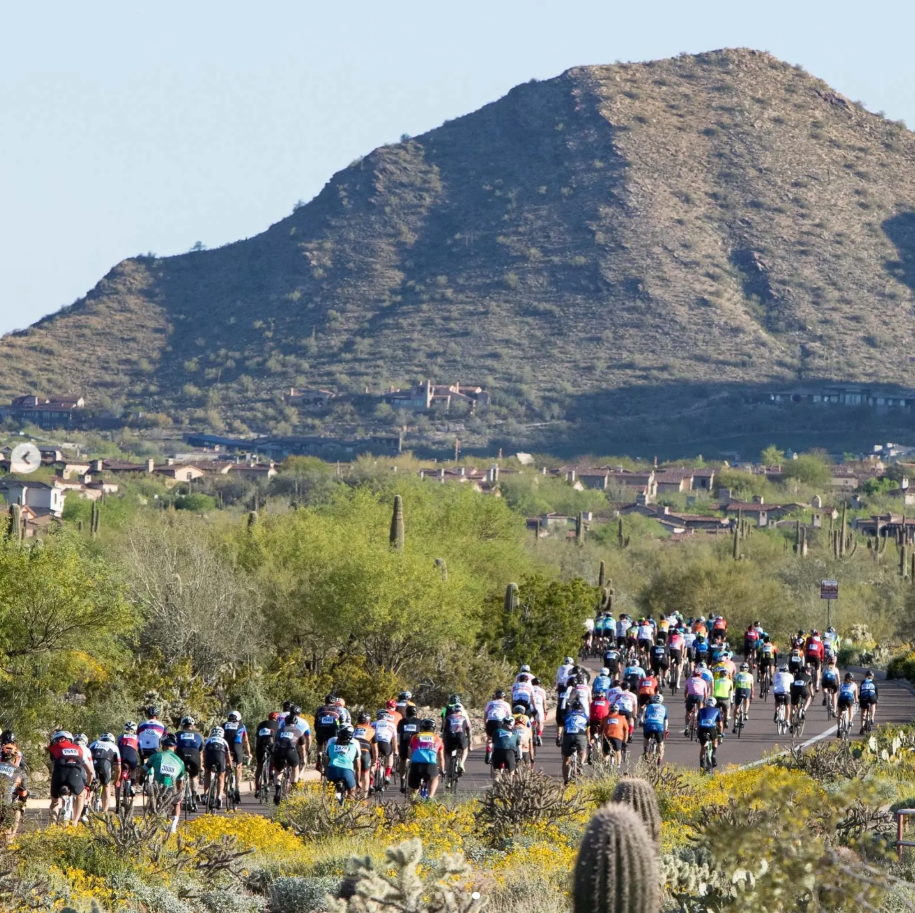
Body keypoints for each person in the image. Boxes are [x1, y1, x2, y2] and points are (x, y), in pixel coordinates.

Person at [48, 731, 94, 826]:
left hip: (59, 774)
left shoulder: (53, 748)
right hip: (74, 774)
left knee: (55, 801)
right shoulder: (79, 749)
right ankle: (75, 822)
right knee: (81, 796)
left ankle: (52, 823)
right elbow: (90, 772)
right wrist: (88, 785)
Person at [142, 735, 186, 833]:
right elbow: (180, 782)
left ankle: (151, 824)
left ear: (163, 746)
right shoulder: (180, 762)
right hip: (171, 787)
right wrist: (179, 794)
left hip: (158, 787)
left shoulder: (156, 756)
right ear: (175, 747)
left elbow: (143, 770)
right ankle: (173, 826)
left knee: (152, 802)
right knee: (177, 803)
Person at [272, 709, 308, 804]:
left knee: (278, 772)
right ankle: (294, 786)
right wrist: (303, 759)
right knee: (295, 768)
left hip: (279, 751)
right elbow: (302, 749)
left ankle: (277, 788)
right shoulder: (298, 731)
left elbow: (275, 742)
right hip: (291, 751)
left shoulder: (279, 731)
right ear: (295, 723)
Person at [407, 718, 445, 797]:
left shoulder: (415, 737)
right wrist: (442, 770)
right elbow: (441, 758)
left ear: (422, 728)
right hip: (430, 764)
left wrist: (410, 762)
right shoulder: (438, 739)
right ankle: (430, 797)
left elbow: (410, 752)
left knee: (412, 791)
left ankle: (413, 804)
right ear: (433, 729)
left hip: (416, 765)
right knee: (434, 778)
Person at [324, 724, 362, 799]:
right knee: (352, 790)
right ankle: (349, 807)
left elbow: (327, 760)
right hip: (347, 771)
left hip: (332, 770)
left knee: (330, 790)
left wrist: (326, 771)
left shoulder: (331, 746)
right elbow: (358, 766)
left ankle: (330, 804)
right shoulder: (353, 747)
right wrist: (358, 781)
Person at [0, 741, 28, 840]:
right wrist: (22, 805)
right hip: (5, 805)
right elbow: (23, 793)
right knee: (18, 805)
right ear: (15, 757)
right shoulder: (19, 771)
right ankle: (10, 839)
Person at [88, 733, 121, 814]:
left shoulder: (93, 743)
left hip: (92, 763)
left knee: (90, 786)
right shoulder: (114, 747)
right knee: (106, 785)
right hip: (104, 765)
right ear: (112, 740)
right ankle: (104, 811)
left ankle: (86, 808)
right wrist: (116, 780)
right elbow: (118, 769)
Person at [174, 717, 204, 807]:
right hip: (194, 756)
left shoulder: (177, 734)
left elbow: (174, 750)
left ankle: (180, 798)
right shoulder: (199, 735)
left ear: (182, 725)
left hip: (181, 756)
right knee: (194, 777)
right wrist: (200, 766)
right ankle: (194, 798)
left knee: (180, 777)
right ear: (192, 726)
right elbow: (200, 753)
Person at [222, 711, 251, 801]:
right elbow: (245, 740)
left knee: (226, 767)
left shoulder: (223, 725)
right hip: (236, 746)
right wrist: (248, 753)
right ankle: (237, 788)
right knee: (238, 767)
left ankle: (224, 785)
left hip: (225, 746)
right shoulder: (242, 726)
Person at [559, 699, 589, 784]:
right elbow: (588, 730)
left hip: (568, 736)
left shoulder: (567, 715)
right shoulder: (584, 716)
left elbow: (562, 726)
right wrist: (589, 741)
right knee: (583, 751)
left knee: (566, 759)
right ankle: (581, 764)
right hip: (580, 735)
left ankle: (565, 780)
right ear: (581, 708)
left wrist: (559, 737)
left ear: (572, 708)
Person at [201, 726, 230, 809]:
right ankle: (219, 797)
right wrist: (230, 766)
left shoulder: (208, 740)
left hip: (210, 758)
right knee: (221, 776)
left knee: (207, 774)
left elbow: (204, 753)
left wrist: (203, 764)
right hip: (220, 759)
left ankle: (205, 794)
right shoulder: (224, 741)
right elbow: (228, 755)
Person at [442, 702, 472, 782]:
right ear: (461, 711)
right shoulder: (464, 718)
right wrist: (470, 743)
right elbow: (469, 730)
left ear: (453, 710)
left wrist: (444, 742)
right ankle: (462, 763)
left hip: (450, 737)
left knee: (447, 755)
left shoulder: (448, 718)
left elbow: (445, 731)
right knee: (464, 749)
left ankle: (448, 779)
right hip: (460, 736)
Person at [253, 712, 280, 799]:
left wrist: (256, 749)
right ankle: (271, 771)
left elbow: (256, 739)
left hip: (260, 746)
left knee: (259, 766)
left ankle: (257, 788)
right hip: (271, 745)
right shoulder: (278, 724)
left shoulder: (261, 724)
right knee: (274, 758)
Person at [314, 695, 344, 770]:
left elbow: (315, 722)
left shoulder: (320, 709)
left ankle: (318, 758)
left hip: (320, 729)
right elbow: (342, 722)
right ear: (334, 702)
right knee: (334, 744)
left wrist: (317, 731)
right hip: (333, 730)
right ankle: (332, 759)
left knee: (319, 744)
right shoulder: (339, 709)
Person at [397, 705, 421, 790]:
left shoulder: (402, 721)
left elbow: (399, 733)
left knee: (402, 761)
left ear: (406, 713)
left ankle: (402, 781)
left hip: (404, 744)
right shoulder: (419, 721)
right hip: (415, 745)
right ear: (416, 714)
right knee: (416, 763)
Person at [116, 722, 140, 808]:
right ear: (134, 730)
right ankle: (132, 785)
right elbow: (140, 750)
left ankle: (117, 799)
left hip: (121, 758)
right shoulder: (137, 737)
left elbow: (117, 747)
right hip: (132, 759)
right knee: (133, 770)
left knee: (119, 778)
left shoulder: (120, 737)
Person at [353, 713, 377, 796]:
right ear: (368, 722)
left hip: (353, 751)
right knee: (366, 773)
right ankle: (364, 796)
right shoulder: (372, 730)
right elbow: (374, 749)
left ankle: (351, 793)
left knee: (352, 770)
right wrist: (375, 760)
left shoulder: (354, 728)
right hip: (364, 752)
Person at [484, 690, 512, 763]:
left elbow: (485, 716)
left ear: (495, 696)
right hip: (500, 722)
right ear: (503, 697)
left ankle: (488, 751)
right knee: (500, 738)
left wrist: (486, 725)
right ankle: (499, 752)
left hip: (490, 722)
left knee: (490, 738)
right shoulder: (506, 704)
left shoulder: (489, 703)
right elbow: (509, 717)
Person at [601, 703, 630, 772]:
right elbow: (626, 729)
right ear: (617, 710)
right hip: (617, 737)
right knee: (618, 751)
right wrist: (624, 741)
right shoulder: (622, 718)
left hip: (607, 737)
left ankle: (604, 765)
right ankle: (618, 766)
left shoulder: (604, 718)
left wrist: (602, 739)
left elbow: (601, 730)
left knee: (606, 754)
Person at [373, 709, 398, 787]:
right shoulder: (392, 725)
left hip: (375, 744)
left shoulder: (372, 724)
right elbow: (394, 740)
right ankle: (387, 775)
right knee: (390, 756)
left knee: (373, 761)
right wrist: (395, 751)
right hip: (385, 744)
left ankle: (370, 783)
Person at [697, 697, 723, 770]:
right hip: (711, 728)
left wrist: (698, 733)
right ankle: (713, 755)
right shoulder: (717, 710)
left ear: (706, 703)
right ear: (714, 704)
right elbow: (720, 725)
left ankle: (701, 766)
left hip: (702, 728)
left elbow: (698, 722)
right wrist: (721, 734)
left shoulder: (701, 710)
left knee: (702, 747)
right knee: (715, 740)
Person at [642, 694, 668, 764]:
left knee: (646, 738)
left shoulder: (649, 706)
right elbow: (665, 720)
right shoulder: (664, 708)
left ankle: (646, 750)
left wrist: (643, 723)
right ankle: (659, 761)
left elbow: (644, 717)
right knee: (661, 744)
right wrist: (665, 729)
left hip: (648, 724)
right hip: (658, 726)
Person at [683, 668, 709, 733]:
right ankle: (699, 725)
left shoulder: (689, 680)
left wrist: (686, 698)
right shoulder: (703, 681)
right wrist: (704, 701)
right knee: (701, 711)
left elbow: (686, 691)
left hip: (691, 696)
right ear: (700, 675)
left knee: (688, 712)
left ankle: (686, 726)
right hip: (700, 696)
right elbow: (705, 693)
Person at [733, 663, 754, 732]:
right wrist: (752, 694)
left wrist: (733, 692)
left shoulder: (737, 674)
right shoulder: (750, 675)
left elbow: (733, 684)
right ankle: (745, 712)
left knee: (737, 706)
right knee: (747, 699)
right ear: (747, 669)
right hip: (747, 689)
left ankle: (735, 722)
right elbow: (752, 686)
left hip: (739, 689)